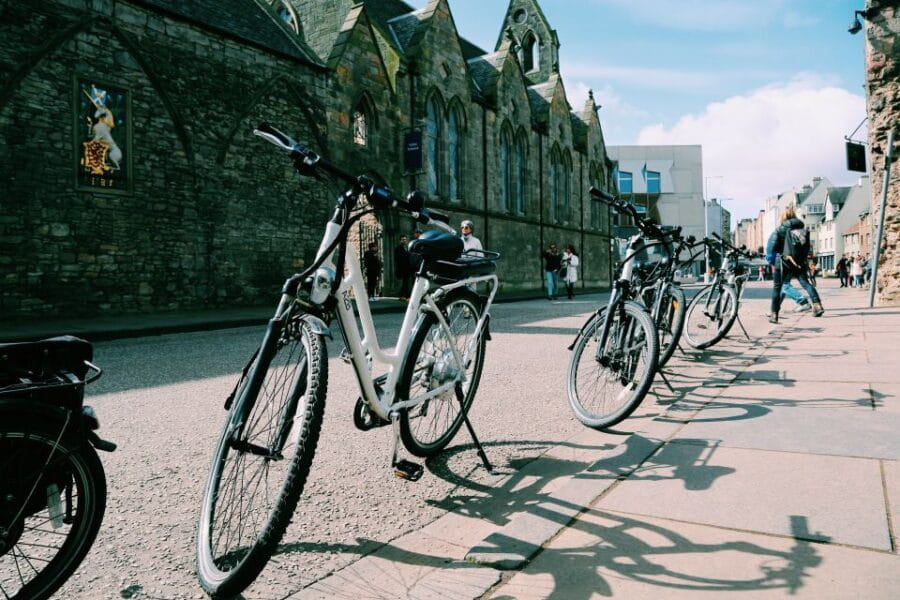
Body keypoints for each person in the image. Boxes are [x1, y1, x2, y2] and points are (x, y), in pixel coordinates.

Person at [765, 206, 823, 322]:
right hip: (799, 262)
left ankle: (774, 314)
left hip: (782, 262)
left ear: (783, 217)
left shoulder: (779, 230)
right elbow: (807, 248)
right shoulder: (802, 230)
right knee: (806, 284)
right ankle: (817, 305)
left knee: (777, 287)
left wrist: (771, 260)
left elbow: (771, 248)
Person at [394, 235, 413, 300]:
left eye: (405, 239)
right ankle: (406, 296)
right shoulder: (398, 248)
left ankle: (403, 295)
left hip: (408, 268)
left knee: (406, 282)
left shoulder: (407, 248)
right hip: (402, 268)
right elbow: (397, 259)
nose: (404, 241)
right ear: (400, 241)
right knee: (406, 282)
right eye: (403, 239)